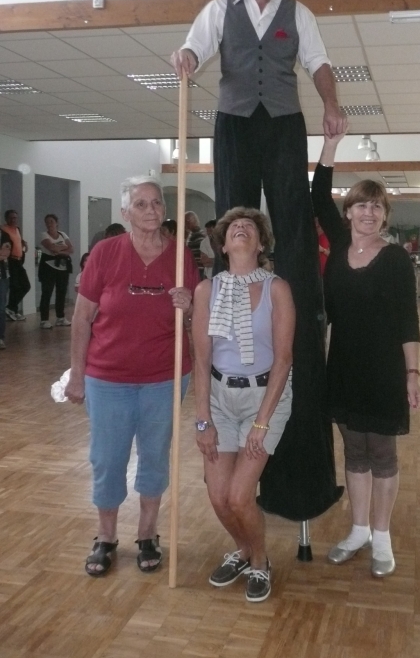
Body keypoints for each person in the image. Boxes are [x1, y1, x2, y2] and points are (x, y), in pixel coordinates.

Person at [171, 0, 345, 520]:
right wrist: (185, 56)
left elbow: (318, 63)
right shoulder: (220, 9)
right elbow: (196, 46)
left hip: (285, 122)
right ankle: (233, 286)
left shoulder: (299, 13)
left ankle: (292, 286)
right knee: (233, 214)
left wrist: (330, 104)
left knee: (291, 214)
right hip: (235, 121)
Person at [64, 177, 197, 577]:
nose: (151, 210)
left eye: (156, 203)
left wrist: (190, 306)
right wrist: (76, 375)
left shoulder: (180, 256)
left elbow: (196, 318)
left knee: (155, 455)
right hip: (108, 378)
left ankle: (147, 532)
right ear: (125, 213)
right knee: (107, 457)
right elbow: (82, 318)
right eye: (141, 204)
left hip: (164, 377)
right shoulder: (105, 253)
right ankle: (106, 536)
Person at [312, 129, 420, 578]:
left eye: (377, 206)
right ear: (348, 212)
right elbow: (317, 193)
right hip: (343, 366)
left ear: (385, 216)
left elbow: (408, 321)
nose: (368, 212)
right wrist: (330, 146)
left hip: (383, 370)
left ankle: (382, 537)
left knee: (382, 453)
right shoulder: (339, 248)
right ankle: (358, 530)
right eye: (361, 204)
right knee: (353, 451)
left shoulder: (395, 259)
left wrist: (412, 374)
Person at [192, 207, 295, 602]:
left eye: (249, 226)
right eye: (234, 226)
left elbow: (284, 359)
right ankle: (243, 550)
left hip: (265, 398)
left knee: (239, 496)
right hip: (219, 398)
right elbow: (202, 360)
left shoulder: (277, 289)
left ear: (260, 243)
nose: (240, 228)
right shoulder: (206, 291)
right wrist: (203, 420)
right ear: (222, 245)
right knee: (218, 498)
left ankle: (260, 561)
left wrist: (262, 423)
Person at [38, 214, 74, 329]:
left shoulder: (63, 234)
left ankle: (60, 318)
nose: (49, 224)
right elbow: (52, 248)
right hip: (48, 268)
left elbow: (71, 249)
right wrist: (63, 247)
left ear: (56, 223)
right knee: (47, 292)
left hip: (62, 267)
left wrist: (59, 251)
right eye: (47, 222)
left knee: (61, 292)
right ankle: (44, 320)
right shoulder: (44, 235)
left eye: (51, 221)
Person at [1, 209, 30, 321]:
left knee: (25, 285)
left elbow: (18, 240)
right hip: (10, 261)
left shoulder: (17, 229)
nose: (13, 220)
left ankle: (11, 309)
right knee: (15, 286)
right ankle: (12, 309)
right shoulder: (3, 229)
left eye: (15, 218)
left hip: (18, 261)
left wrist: (23, 243)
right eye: (11, 218)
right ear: (6, 218)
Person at [185, 211, 204, 279]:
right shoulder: (191, 235)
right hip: (194, 268)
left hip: (199, 268)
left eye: (186, 221)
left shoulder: (199, 235)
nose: (185, 225)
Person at [0, 229, 11, 349]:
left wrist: (2, 254)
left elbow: (5, 253)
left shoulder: (4, 235)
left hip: (2, 277)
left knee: (1, 308)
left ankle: (0, 338)